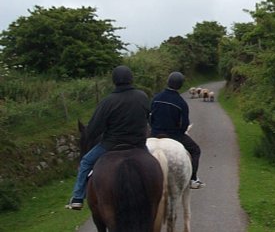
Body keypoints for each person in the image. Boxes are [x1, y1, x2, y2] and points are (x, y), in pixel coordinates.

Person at [67, 65, 150, 210]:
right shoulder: (142, 96)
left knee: (86, 162)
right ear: (131, 79)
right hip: (138, 144)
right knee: (155, 164)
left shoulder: (108, 101)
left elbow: (93, 129)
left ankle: (78, 197)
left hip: (111, 144)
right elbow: (147, 118)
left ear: (114, 81)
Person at [149, 71, 205, 189]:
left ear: (168, 82)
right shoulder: (181, 103)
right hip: (174, 135)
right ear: (180, 85)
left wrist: (154, 128)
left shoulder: (156, 98)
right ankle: (193, 179)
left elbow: (150, 117)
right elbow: (184, 125)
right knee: (195, 150)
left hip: (154, 133)